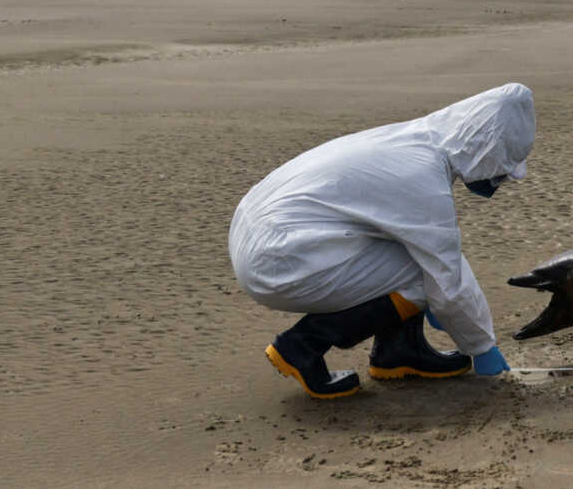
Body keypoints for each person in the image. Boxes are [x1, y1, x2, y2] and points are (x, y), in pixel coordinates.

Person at [228, 82, 534, 398]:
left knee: (411, 250)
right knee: (424, 274)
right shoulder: (423, 178)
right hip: (277, 258)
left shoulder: (412, 138)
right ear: (486, 149)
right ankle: (302, 346)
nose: (499, 178)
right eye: (502, 165)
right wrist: (481, 346)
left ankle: (399, 352)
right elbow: (448, 280)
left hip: (264, 232)